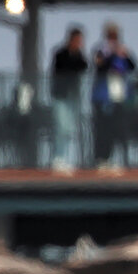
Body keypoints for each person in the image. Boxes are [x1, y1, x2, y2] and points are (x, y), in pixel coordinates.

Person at [91, 22, 137, 170]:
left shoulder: (121, 52)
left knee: (116, 130)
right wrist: (111, 54)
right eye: (111, 35)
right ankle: (100, 159)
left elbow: (132, 66)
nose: (113, 39)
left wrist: (125, 54)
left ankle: (112, 158)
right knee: (102, 129)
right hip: (103, 98)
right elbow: (99, 67)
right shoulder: (101, 51)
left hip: (119, 98)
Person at [50, 26, 88, 171]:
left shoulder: (79, 55)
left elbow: (84, 66)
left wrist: (78, 53)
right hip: (61, 96)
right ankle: (58, 158)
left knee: (70, 129)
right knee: (61, 127)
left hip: (74, 96)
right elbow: (62, 68)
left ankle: (65, 158)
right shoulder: (61, 53)